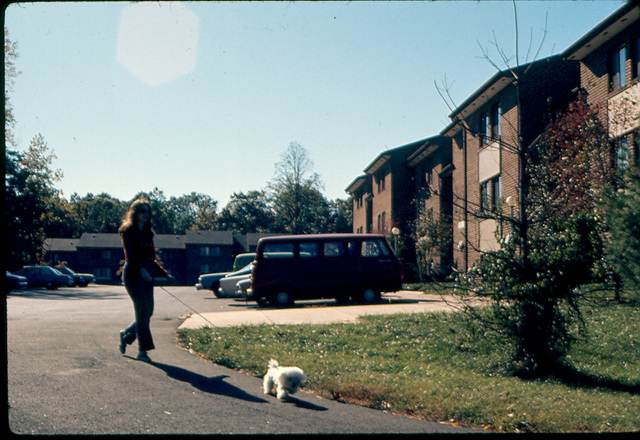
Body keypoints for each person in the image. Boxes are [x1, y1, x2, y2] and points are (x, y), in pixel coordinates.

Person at [118, 198, 170, 362]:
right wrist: (141, 270)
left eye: (147, 212)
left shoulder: (148, 233)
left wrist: (163, 274)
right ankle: (143, 351)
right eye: (142, 211)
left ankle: (126, 336)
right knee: (142, 311)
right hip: (133, 274)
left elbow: (151, 259)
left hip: (148, 273)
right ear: (135, 213)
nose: (145, 215)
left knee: (148, 312)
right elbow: (130, 256)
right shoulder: (128, 231)